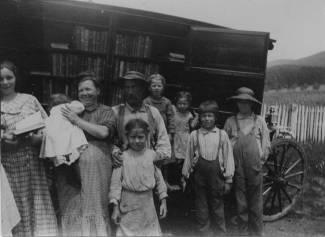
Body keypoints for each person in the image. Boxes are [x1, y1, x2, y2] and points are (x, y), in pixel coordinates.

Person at [0, 60, 58, 236]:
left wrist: (30, 140)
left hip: (31, 165)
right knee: (13, 208)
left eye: (9, 77)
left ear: (16, 78)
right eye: (0, 79)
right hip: (7, 167)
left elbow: (50, 132)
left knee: (36, 206)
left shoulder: (30, 100)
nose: (5, 83)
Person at [58, 72, 116, 236]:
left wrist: (76, 120)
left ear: (98, 91)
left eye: (88, 89)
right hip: (70, 167)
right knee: (72, 206)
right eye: (81, 90)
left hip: (95, 167)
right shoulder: (70, 110)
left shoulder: (106, 111)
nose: (84, 93)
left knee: (95, 205)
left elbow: (103, 133)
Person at [182, 100, 234, 235]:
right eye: (204, 116)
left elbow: (228, 157)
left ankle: (220, 233)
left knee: (217, 207)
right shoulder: (195, 135)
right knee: (201, 208)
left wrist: (228, 179)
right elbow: (188, 156)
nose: (207, 119)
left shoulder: (222, 135)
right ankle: (204, 233)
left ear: (215, 117)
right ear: (200, 118)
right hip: (199, 178)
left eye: (210, 116)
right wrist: (184, 175)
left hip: (217, 178)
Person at [224, 87, 271, 236]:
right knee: (241, 202)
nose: (243, 105)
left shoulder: (259, 121)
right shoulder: (231, 121)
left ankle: (257, 232)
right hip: (237, 167)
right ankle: (242, 232)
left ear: (251, 104)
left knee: (255, 202)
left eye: (246, 102)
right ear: (236, 103)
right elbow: (224, 144)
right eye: (240, 102)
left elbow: (266, 144)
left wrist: (260, 161)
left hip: (254, 167)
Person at [109, 119, 168, 236]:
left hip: (147, 205)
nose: (137, 141)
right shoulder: (123, 157)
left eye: (141, 137)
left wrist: (163, 202)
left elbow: (160, 180)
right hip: (128, 205)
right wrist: (115, 208)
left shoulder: (152, 155)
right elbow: (115, 185)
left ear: (147, 136)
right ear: (127, 137)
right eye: (133, 137)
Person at [112, 71, 171, 167]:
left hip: (148, 167)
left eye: (134, 87)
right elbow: (107, 142)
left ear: (142, 89)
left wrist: (154, 157)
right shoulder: (115, 112)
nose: (130, 92)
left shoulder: (153, 113)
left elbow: (164, 142)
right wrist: (115, 153)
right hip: (123, 167)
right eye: (127, 88)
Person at [143, 73, 176, 190]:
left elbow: (171, 118)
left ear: (163, 87)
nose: (156, 88)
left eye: (159, 85)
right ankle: (152, 180)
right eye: (154, 85)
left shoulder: (167, 102)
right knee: (152, 157)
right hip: (151, 134)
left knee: (165, 159)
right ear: (149, 87)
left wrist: (171, 133)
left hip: (164, 133)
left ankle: (164, 181)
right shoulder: (146, 101)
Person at [40, 93, 88, 167]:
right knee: (72, 147)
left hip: (56, 138)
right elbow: (81, 107)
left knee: (59, 154)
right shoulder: (67, 107)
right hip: (68, 134)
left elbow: (46, 124)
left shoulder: (51, 113)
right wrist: (74, 103)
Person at [171, 91, 199, 189]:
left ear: (189, 104)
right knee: (174, 159)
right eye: (180, 103)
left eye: (185, 104)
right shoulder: (173, 110)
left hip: (185, 138)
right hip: (175, 136)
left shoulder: (189, 115)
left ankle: (183, 179)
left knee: (183, 159)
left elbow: (192, 126)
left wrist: (197, 117)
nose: (182, 106)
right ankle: (173, 180)